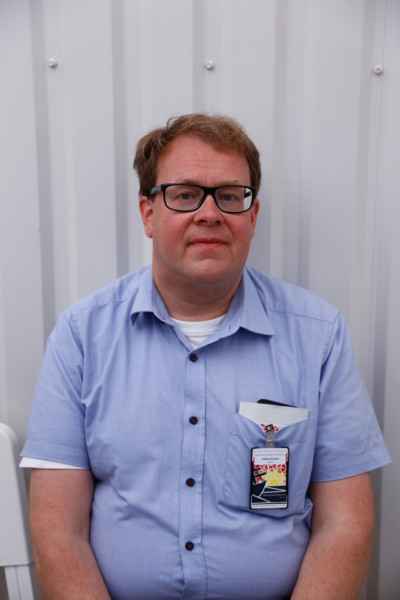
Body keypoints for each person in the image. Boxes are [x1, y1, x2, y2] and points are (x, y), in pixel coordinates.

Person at [21, 113, 391, 600]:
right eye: (185, 194)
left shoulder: (319, 337)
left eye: (230, 196)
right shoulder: (81, 337)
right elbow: (58, 533)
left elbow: (344, 524)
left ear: (252, 217)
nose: (210, 213)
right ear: (148, 214)